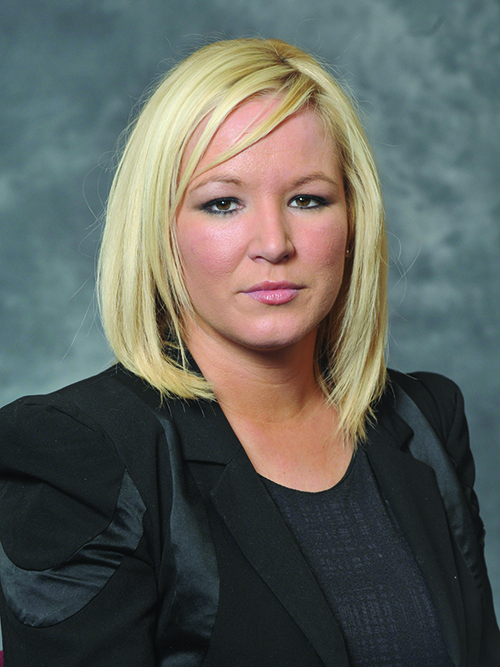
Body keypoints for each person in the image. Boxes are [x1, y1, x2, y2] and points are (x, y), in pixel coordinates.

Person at [0, 37, 498, 667]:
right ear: (160, 234)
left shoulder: (424, 419)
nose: (274, 242)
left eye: (307, 199)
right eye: (223, 203)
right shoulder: (75, 453)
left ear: (354, 222)